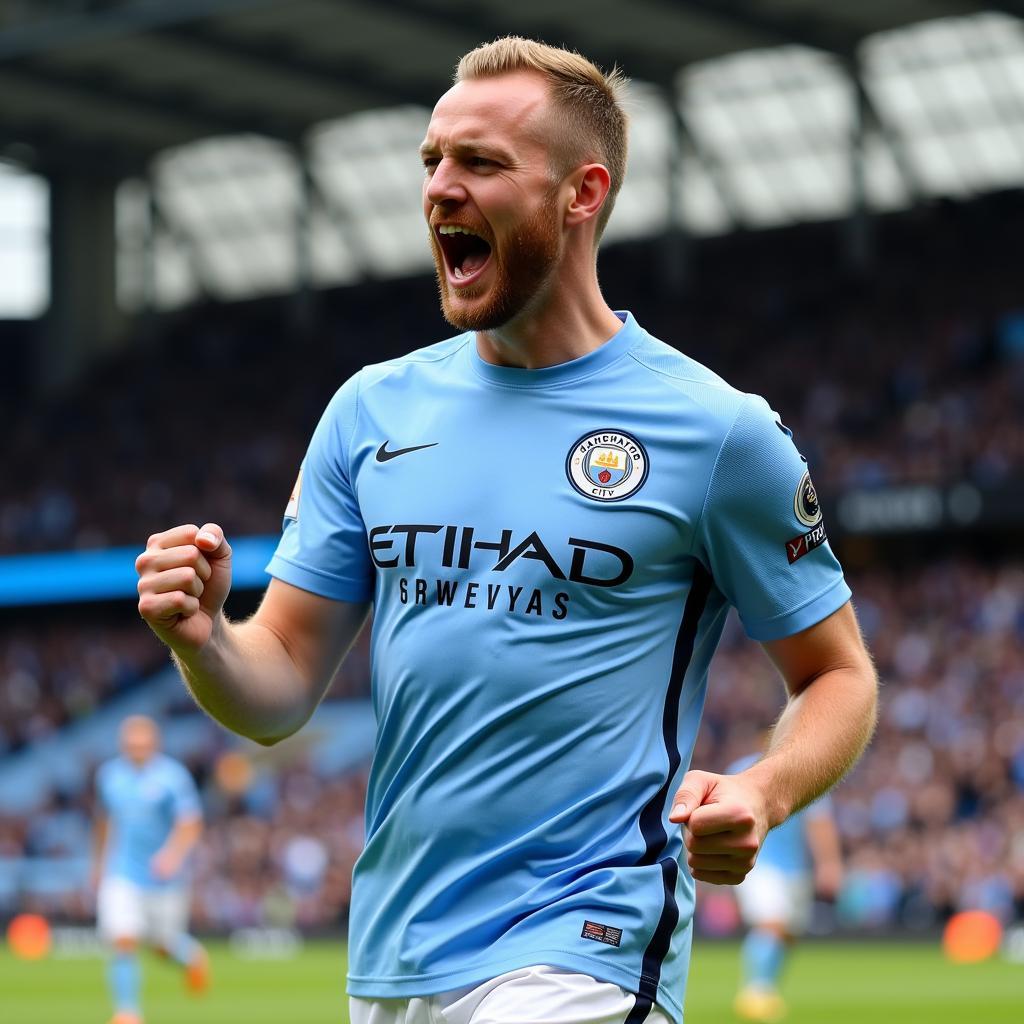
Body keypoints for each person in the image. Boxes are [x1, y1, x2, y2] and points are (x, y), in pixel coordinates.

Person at [135, 36, 877, 1024]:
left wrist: (768, 787)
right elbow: (277, 688)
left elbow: (840, 673)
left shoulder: (715, 431)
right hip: (394, 957)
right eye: (432, 160)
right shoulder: (370, 412)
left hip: (585, 948)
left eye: (479, 162)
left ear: (582, 193)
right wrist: (205, 640)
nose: (440, 187)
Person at [92, 715, 209, 1024]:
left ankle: (191, 956)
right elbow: (104, 823)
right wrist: (99, 864)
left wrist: (172, 854)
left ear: (154, 744)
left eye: (142, 744)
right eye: (131, 744)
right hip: (122, 873)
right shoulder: (110, 776)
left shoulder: (172, 777)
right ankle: (127, 1012)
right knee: (124, 939)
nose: (137, 749)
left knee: (161, 946)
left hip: (163, 877)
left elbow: (190, 822)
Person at [727, 753, 843, 1022]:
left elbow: (819, 822)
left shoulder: (805, 770)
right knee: (772, 924)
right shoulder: (741, 767)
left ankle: (767, 987)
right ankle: (755, 992)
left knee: (787, 934)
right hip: (757, 864)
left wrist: (829, 863)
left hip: (795, 869)